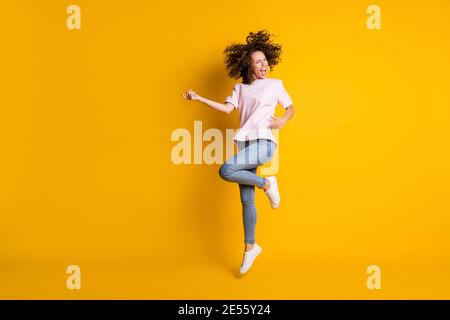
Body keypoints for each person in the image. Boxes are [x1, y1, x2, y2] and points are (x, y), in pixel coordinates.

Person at [182, 30, 295, 274]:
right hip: (244, 143)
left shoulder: (275, 85)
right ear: (248, 65)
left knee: (226, 169)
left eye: (265, 60)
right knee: (246, 201)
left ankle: (267, 183)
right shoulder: (240, 89)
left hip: (264, 143)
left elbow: (290, 108)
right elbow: (225, 109)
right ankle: (250, 248)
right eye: (258, 61)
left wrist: (282, 121)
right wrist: (199, 98)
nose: (263, 64)